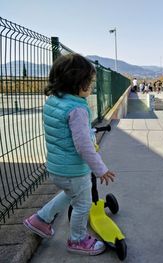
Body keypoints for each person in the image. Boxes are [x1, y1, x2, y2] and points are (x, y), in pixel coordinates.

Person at [23, 54, 116, 256]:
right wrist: (101, 169)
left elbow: (64, 132)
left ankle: (40, 219)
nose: (91, 86)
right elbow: (83, 146)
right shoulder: (77, 109)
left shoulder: (54, 101)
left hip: (57, 167)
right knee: (83, 205)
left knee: (69, 194)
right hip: (74, 169)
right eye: (89, 82)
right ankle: (78, 240)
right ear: (76, 82)